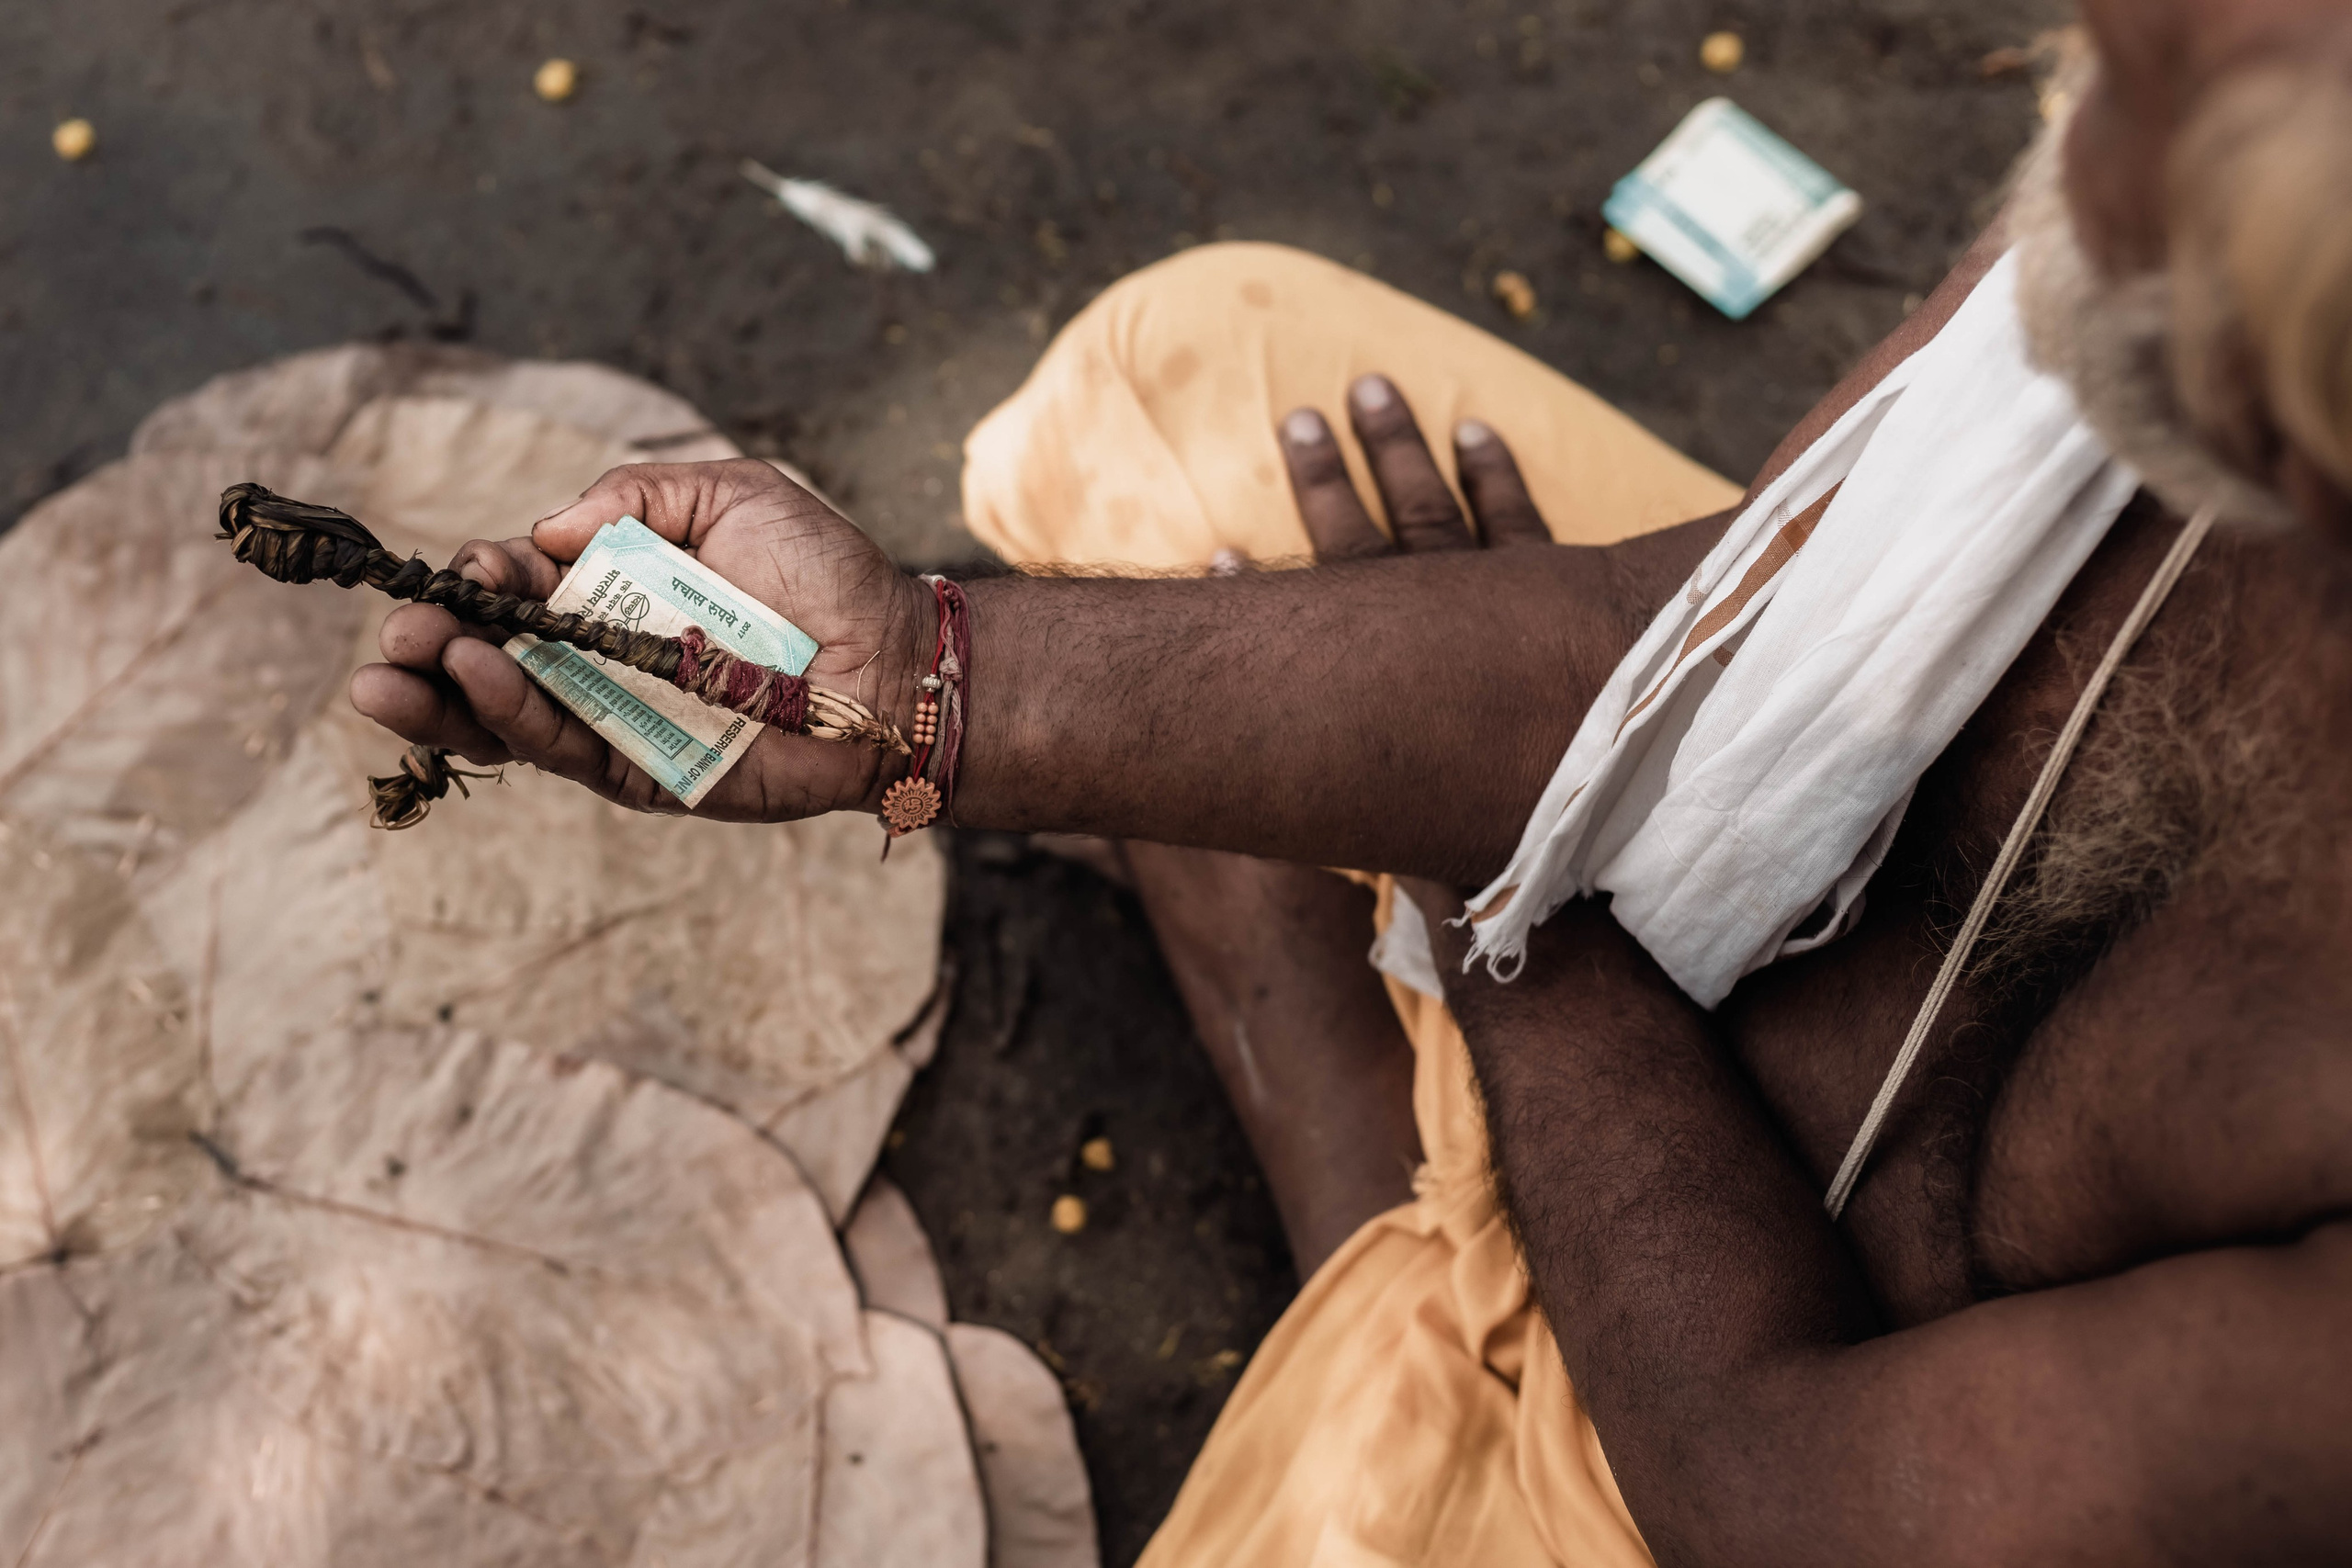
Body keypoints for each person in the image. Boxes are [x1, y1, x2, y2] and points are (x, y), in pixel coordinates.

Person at [350, 0, 2352, 1560]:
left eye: (2153, 133)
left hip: (1730, 1442)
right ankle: (1405, 1245)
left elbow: (1779, 1486)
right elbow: (1700, 646)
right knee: (1179, 371)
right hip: (1671, 1009)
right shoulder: (2215, 155)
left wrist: (1494, 901)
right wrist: (921, 674)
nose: (2063, 131)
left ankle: (1387, 1281)